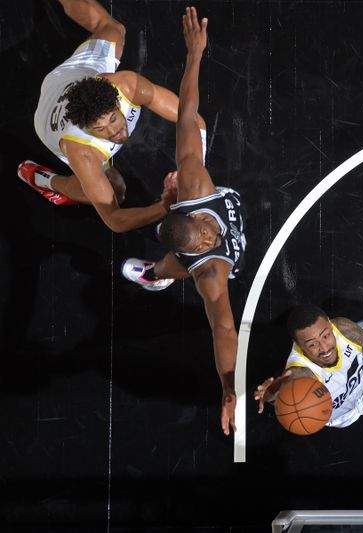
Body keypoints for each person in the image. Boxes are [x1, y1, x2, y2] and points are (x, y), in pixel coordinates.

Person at [120, 7, 244, 436]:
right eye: (204, 239)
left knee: (195, 127)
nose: (212, 234)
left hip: (189, 203)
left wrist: (194, 53)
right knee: (174, 271)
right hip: (186, 258)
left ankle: (157, 272)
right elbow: (224, 329)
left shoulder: (193, 185)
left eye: (206, 231)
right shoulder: (208, 270)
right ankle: (158, 272)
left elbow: (187, 113)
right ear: (194, 248)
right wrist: (229, 387)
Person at [18, 0, 206, 232]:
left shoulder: (127, 86)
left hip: (68, 77)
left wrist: (195, 174)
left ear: (118, 101)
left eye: (113, 119)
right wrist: (164, 206)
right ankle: (46, 181)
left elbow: (195, 120)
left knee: (113, 28)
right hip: (48, 121)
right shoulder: (83, 152)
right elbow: (115, 220)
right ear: (86, 127)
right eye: (101, 129)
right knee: (116, 189)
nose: (113, 131)